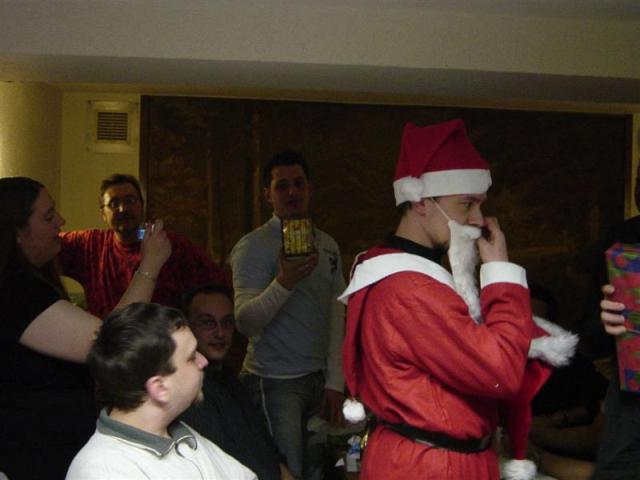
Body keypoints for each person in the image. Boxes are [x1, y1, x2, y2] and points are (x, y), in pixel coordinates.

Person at [339, 120, 535, 480]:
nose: (478, 220)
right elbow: (502, 371)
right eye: (466, 204)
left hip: (438, 459)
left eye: (480, 205)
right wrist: (500, 271)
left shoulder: (412, 275)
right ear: (420, 201)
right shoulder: (410, 289)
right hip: (431, 467)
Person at [0, 176, 171, 480]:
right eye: (48, 216)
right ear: (17, 232)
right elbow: (109, 341)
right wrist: (150, 266)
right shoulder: (16, 290)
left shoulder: (30, 281)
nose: (61, 222)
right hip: (35, 453)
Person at [230, 150, 346, 480]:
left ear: (310, 189)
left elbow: (337, 310)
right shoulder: (253, 246)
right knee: (285, 473)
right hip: (273, 381)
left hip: (318, 379)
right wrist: (285, 282)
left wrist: (335, 380)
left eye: (299, 184)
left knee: (317, 470)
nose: (292, 192)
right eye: (282, 186)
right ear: (268, 194)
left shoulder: (327, 245)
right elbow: (245, 321)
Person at [66, 302, 257, 480]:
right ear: (160, 387)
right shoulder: (103, 470)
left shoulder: (176, 432)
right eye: (192, 357)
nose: (203, 361)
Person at [58, 173, 227, 318]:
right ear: (103, 213)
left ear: (142, 205)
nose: (123, 209)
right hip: (108, 342)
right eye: (114, 204)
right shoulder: (89, 246)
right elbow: (47, 243)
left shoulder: (171, 246)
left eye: (130, 200)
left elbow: (218, 284)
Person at [179, 284, 294, 480]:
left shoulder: (232, 382)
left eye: (227, 322)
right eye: (207, 323)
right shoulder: (188, 392)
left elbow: (268, 450)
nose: (220, 333)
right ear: (188, 327)